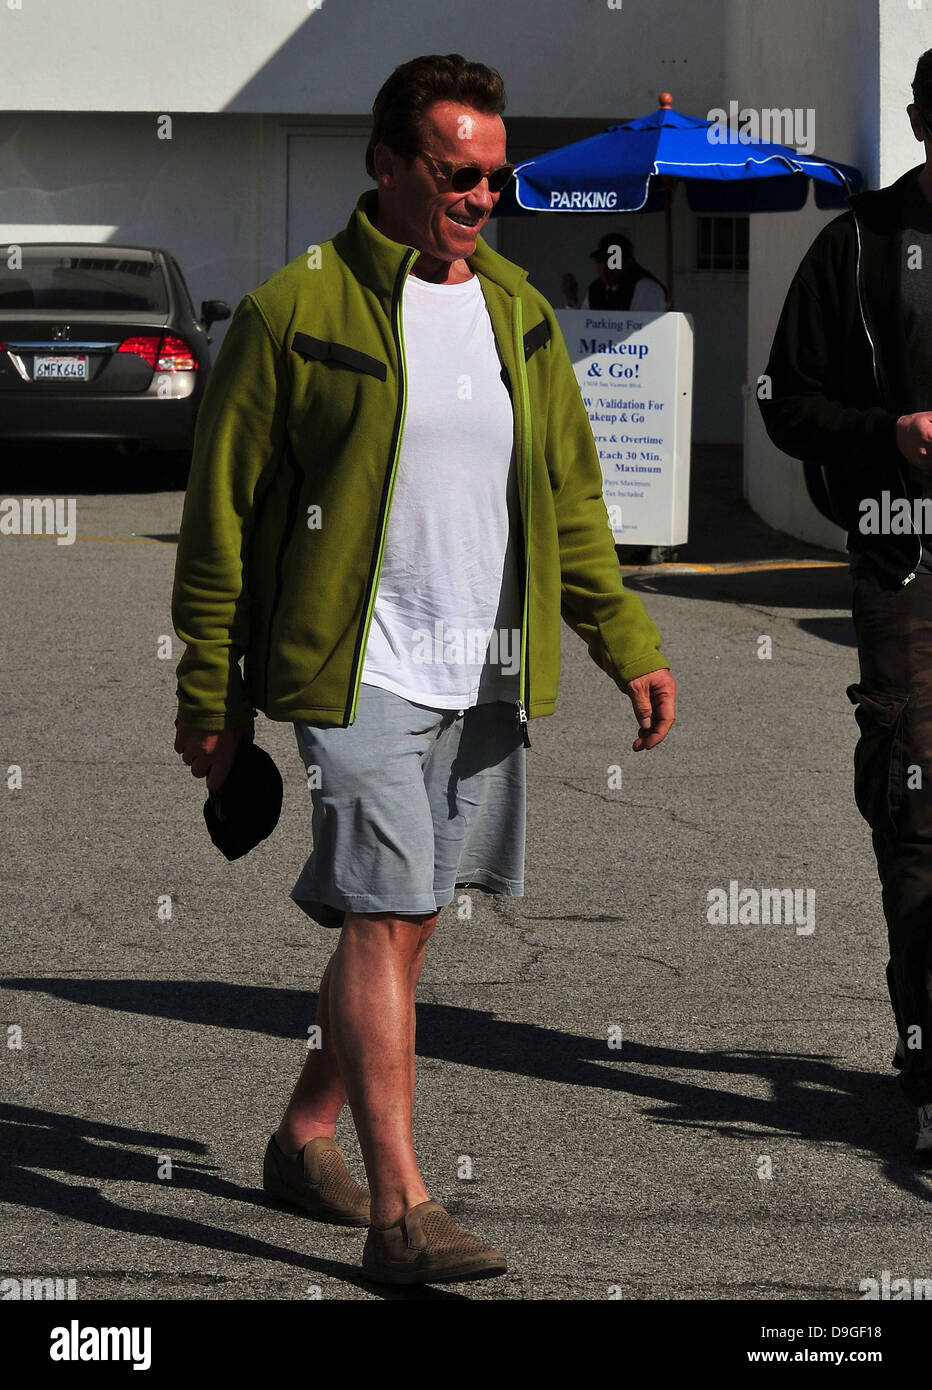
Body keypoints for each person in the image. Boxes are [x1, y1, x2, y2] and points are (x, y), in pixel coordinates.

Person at [171, 52, 676, 1285]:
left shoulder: (517, 309)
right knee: (387, 909)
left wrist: (628, 644)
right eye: (458, 173)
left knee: (405, 929)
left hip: (485, 672)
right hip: (356, 671)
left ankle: (300, 1139)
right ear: (387, 165)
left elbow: (566, 501)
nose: (481, 197)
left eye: (495, 176)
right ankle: (403, 1210)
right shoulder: (295, 311)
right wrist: (206, 695)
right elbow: (219, 513)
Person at [759, 48, 932, 1156]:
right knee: (915, 804)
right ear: (921, 115)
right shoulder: (858, 244)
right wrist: (887, 437)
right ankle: (924, 1060)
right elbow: (784, 399)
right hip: (902, 561)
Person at [561, 232, 667, 312]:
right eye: (600, 261)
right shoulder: (596, 288)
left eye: (612, 261)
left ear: (628, 262)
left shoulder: (646, 288)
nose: (604, 267)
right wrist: (571, 301)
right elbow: (583, 324)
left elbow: (644, 331)